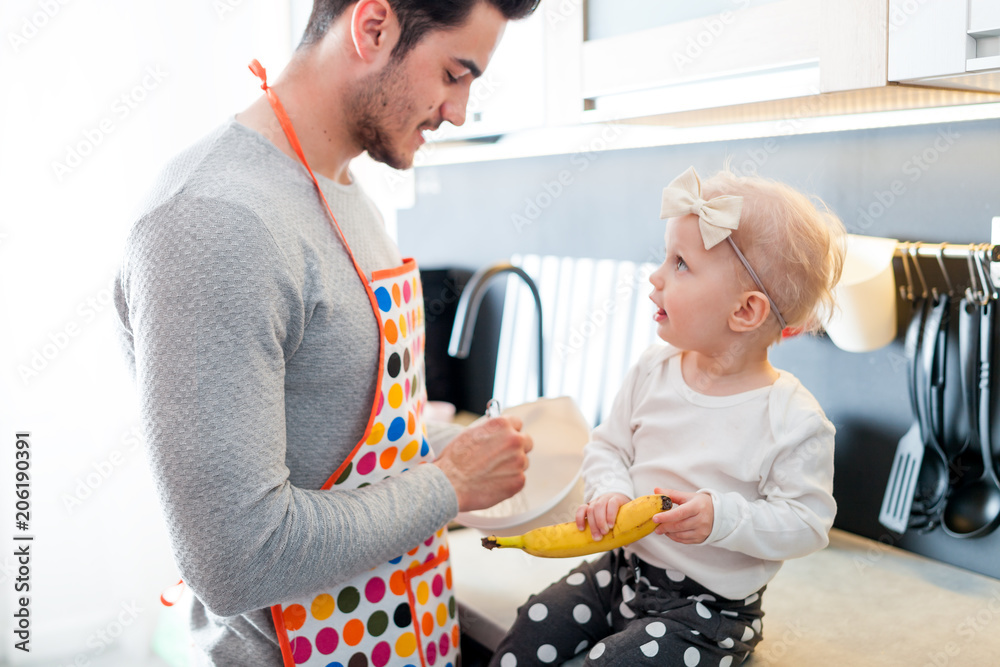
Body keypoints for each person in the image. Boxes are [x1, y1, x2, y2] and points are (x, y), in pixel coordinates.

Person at [113, 1, 538, 665]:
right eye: (455, 74)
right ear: (373, 27)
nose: (458, 110)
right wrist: (450, 482)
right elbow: (236, 562)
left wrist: (463, 449)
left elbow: (347, 447)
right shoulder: (215, 220)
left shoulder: (348, 195)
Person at [489, 165, 846, 667]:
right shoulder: (652, 369)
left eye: (680, 263)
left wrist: (722, 518)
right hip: (621, 573)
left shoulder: (792, 418)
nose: (655, 276)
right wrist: (609, 491)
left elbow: (808, 523)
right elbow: (609, 446)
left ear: (745, 311)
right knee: (532, 627)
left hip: (705, 615)